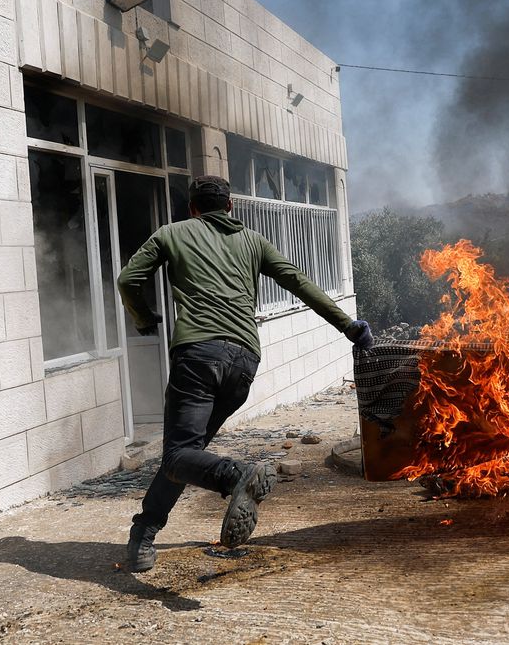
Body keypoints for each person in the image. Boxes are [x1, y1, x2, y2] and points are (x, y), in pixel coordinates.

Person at [116, 175, 374, 572]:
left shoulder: (170, 233)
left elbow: (128, 279)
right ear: (230, 206)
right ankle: (143, 538)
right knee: (186, 455)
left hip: (198, 357)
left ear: (192, 208)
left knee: (179, 455)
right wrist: (349, 327)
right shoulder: (255, 241)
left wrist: (143, 317)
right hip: (242, 363)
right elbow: (299, 282)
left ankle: (234, 476)